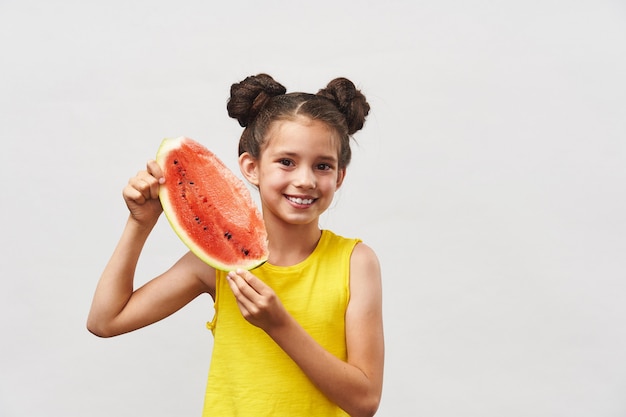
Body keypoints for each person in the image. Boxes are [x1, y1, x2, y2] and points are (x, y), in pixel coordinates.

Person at [87, 73, 384, 417]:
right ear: (252, 167)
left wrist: (279, 325)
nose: (304, 180)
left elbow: (364, 402)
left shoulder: (356, 262)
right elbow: (105, 320)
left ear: (339, 177)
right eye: (286, 162)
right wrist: (140, 223)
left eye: (322, 166)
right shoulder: (215, 263)